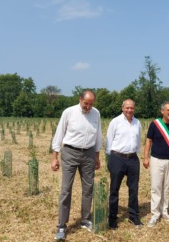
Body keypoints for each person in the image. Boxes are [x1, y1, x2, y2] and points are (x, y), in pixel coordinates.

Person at [51, 90, 102, 240]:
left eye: (91, 104)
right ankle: (61, 225)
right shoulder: (69, 112)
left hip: (89, 154)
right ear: (80, 99)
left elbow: (98, 135)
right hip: (70, 153)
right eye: (86, 103)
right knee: (66, 189)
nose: (88, 107)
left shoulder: (96, 114)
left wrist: (97, 156)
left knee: (88, 188)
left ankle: (85, 220)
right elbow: (59, 133)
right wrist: (55, 157)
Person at [143, 102, 169, 227]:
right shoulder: (155, 124)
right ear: (162, 111)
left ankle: (165, 211)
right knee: (156, 187)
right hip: (156, 159)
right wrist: (146, 158)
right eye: (168, 110)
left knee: (166, 187)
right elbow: (148, 141)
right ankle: (155, 214)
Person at [105, 99, 143, 229]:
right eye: (127, 108)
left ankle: (133, 216)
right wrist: (111, 158)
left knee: (134, 189)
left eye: (132, 108)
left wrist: (136, 153)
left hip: (133, 159)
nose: (129, 110)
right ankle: (112, 218)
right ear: (122, 108)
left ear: (134, 109)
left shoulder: (137, 122)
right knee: (114, 189)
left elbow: (138, 140)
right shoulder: (115, 122)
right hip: (117, 158)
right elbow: (109, 140)